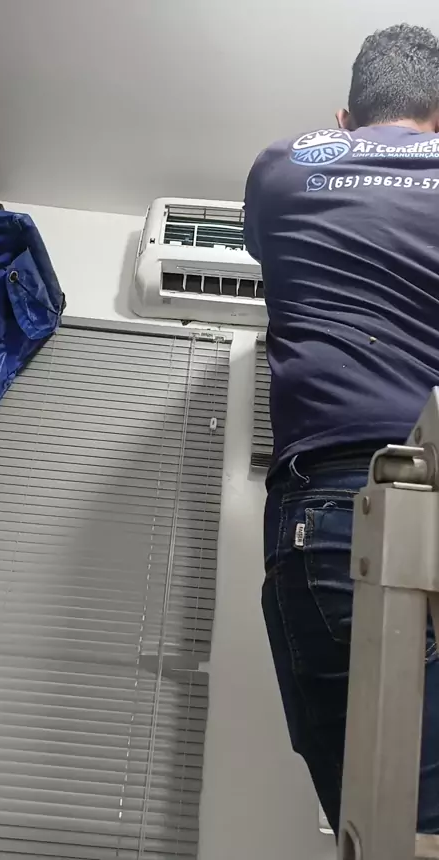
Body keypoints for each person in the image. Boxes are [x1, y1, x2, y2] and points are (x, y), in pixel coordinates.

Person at [244, 23, 439, 838]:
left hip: (332, 513)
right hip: (430, 464)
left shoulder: (282, 166)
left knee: (390, 828)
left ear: (344, 116)